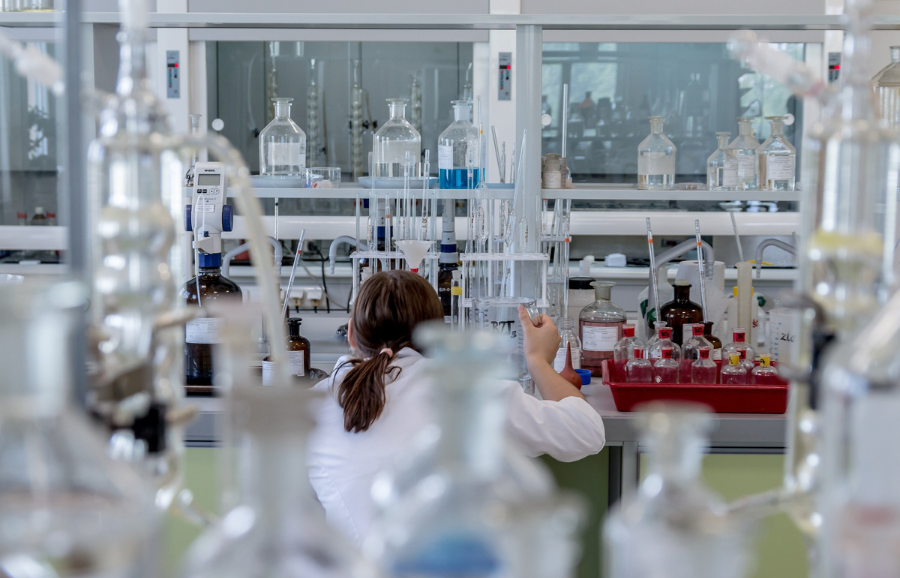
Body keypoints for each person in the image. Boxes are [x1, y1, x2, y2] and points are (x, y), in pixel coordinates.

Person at [308, 270, 605, 546]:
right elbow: (586, 432)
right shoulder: (468, 393)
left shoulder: (311, 409)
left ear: (350, 334)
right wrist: (538, 360)